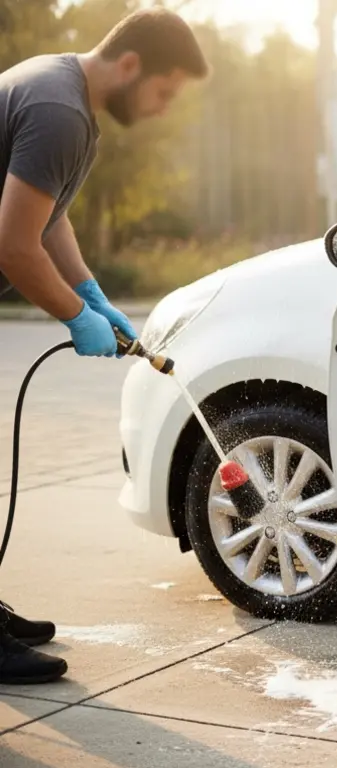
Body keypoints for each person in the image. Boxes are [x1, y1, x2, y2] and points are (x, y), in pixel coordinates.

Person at [0, 9, 208, 684]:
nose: (161, 109)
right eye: (165, 92)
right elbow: (11, 243)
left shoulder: (70, 104)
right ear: (131, 66)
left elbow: (47, 219)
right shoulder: (60, 111)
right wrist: (72, 317)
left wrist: (89, 292)